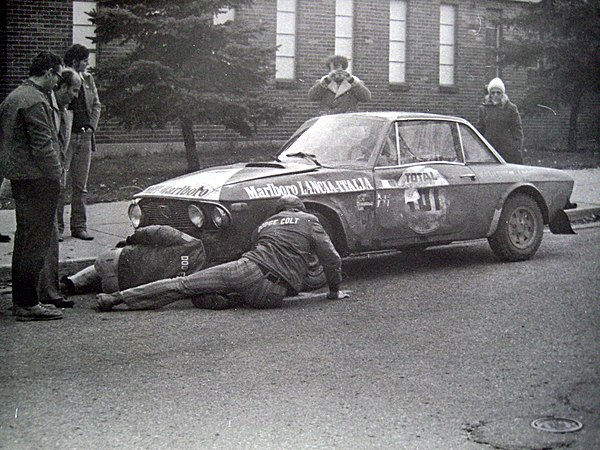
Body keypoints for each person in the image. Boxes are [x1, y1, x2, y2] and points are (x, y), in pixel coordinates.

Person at [96, 195, 348, 312]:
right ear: (299, 208)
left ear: (279, 210)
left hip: (248, 269)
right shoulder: (309, 220)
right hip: (271, 296)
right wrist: (334, 291)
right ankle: (224, 297)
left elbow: (251, 250)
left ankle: (117, 299)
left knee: (181, 285)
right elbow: (332, 258)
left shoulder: (264, 225)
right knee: (232, 290)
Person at [0, 51, 64, 321]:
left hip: (20, 178)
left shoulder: (13, 97)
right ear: (48, 72)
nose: (58, 81)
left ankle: (21, 300)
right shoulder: (36, 101)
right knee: (36, 242)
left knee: (24, 239)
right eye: (57, 75)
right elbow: (43, 146)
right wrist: (57, 174)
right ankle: (28, 303)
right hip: (39, 180)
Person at [37, 68, 82, 309]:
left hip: (54, 178)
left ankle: (47, 290)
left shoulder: (62, 110)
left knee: (50, 234)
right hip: (43, 179)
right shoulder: (46, 106)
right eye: (73, 90)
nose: (75, 96)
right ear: (62, 86)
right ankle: (46, 292)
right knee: (47, 234)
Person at [60, 225, 207, 295]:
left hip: (114, 261)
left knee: (106, 265)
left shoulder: (191, 243)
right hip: (120, 286)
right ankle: (76, 284)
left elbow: (158, 232)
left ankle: (71, 282)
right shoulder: (202, 276)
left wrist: (129, 241)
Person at [58, 44, 101, 241]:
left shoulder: (88, 80)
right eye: (84, 60)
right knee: (60, 183)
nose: (87, 64)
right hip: (67, 138)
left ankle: (79, 226)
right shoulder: (63, 79)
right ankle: (57, 227)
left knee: (80, 185)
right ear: (75, 60)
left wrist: (91, 126)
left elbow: (96, 105)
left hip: (84, 137)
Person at [476, 77, 524, 164]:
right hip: (490, 150)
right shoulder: (484, 109)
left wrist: (516, 148)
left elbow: (517, 130)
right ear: (489, 94)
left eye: (498, 92)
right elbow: (480, 129)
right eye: (493, 92)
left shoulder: (511, 108)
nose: (495, 95)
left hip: (508, 151)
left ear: (502, 94)